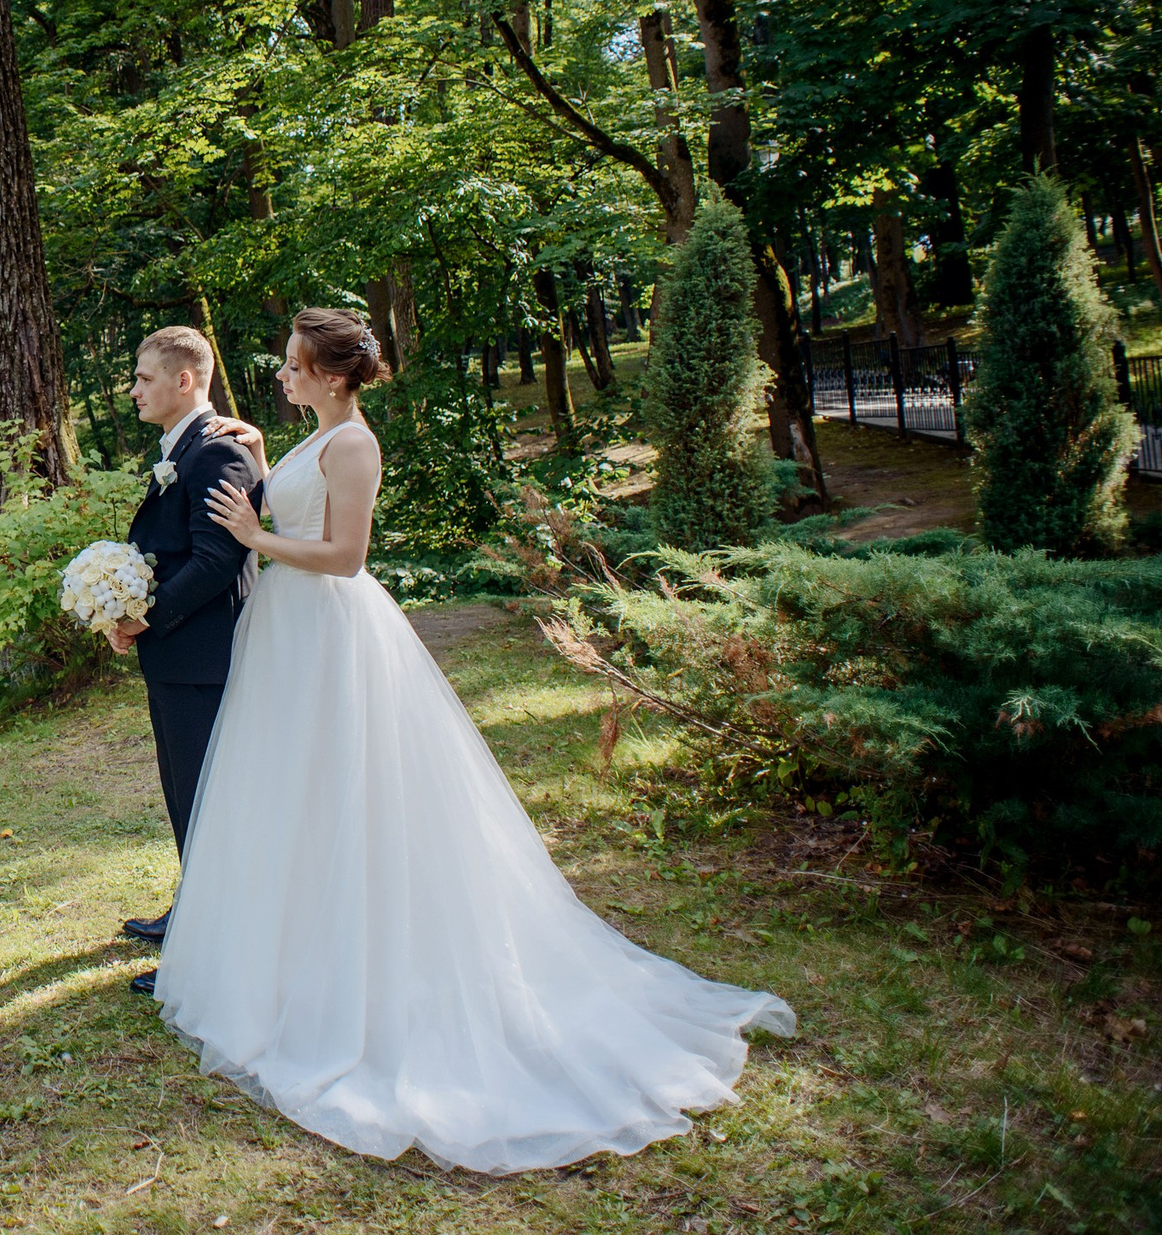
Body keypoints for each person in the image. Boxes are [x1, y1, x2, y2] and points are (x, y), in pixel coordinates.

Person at [155, 307, 795, 1173]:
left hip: (329, 626)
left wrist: (255, 537)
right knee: (294, 791)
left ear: (334, 377)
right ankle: (295, 947)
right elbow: (298, 502)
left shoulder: (356, 444)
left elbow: (345, 556)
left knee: (348, 786)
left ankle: (363, 958)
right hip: (285, 630)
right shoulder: (315, 437)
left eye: (295, 365)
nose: (283, 374)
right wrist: (266, 458)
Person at [107, 326, 260, 993]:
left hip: (204, 657)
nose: (134, 390)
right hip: (176, 656)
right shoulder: (184, 447)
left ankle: (213, 949)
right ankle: (194, 908)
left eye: (144, 378)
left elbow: (217, 561)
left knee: (206, 797)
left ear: (184, 380)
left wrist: (147, 616)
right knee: (183, 792)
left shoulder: (216, 453)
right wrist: (119, 604)